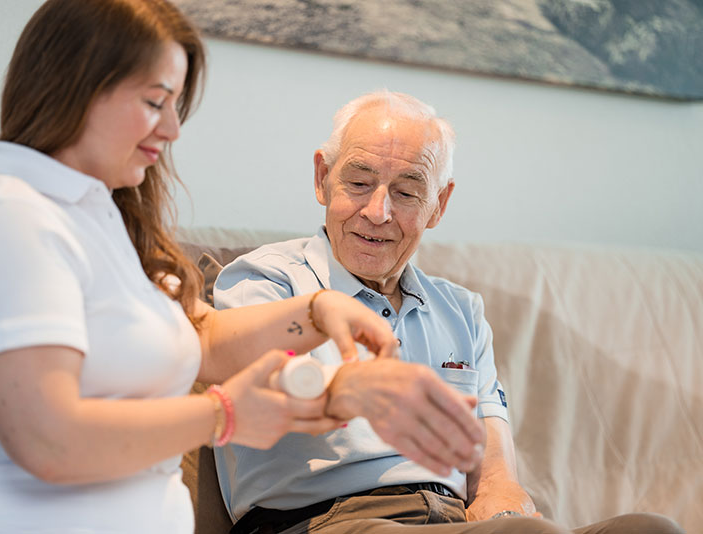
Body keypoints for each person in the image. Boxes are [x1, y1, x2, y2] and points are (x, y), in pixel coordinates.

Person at [0, 3, 425, 533]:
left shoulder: (103, 216)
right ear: (72, 88)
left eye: (176, 105)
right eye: (156, 102)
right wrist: (224, 413)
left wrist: (318, 309)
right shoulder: (10, 218)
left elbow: (202, 338)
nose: (173, 128)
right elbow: (46, 439)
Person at [212, 91, 684, 534]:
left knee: (650, 529)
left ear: (438, 205)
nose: (377, 211)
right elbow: (256, 389)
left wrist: (501, 509)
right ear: (322, 178)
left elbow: (495, 474)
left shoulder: (462, 311)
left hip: (452, 521)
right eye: (358, 183)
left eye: (406, 193)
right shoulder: (266, 279)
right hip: (322, 520)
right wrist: (347, 390)